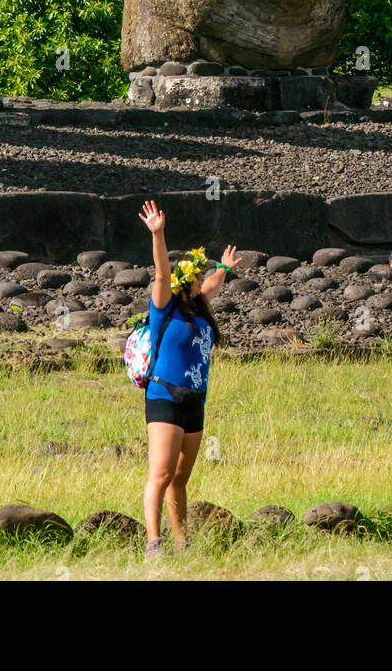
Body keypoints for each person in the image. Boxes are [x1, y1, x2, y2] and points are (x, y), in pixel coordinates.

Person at [139, 198, 239, 559]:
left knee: (180, 478)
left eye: (201, 276)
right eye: (195, 276)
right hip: (164, 395)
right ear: (184, 281)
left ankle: (182, 542)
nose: (201, 279)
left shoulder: (199, 308)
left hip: (195, 401)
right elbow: (163, 272)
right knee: (162, 474)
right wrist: (158, 233)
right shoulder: (164, 304)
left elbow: (212, 285)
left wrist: (224, 268)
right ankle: (154, 542)